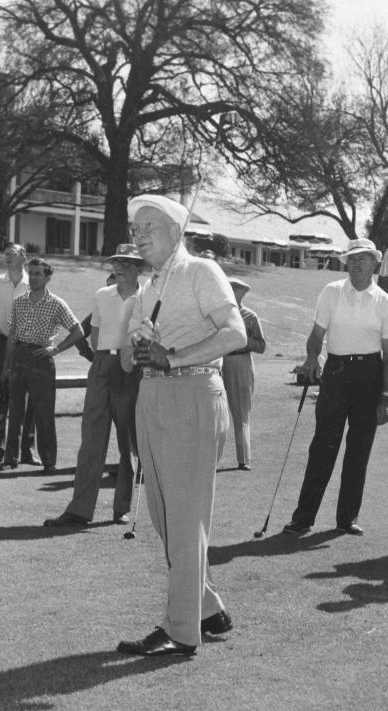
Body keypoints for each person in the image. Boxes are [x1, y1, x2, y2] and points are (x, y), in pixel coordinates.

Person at [117, 194, 246, 658]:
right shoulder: (147, 287)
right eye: (136, 227)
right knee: (165, 516)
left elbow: (235, 334)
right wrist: (138, 346)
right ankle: (208, 608)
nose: (140, 233)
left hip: (192, 392)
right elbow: (128, 359)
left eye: (150, 225)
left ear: (177, 230)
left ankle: (182, 630)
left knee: (185, 518)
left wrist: (171, 359)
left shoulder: (201, 272)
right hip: (151, 399)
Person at [282, 238, 388, 538]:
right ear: (346, 262)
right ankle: (303, 517)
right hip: (336, 371)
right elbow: (316, 334)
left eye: (363, 258)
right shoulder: (331, 292)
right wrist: (311, 358)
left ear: (374, 263)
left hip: (370, 375)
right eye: (352, 258)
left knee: (359, 450)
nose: (357, 263)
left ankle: (347, 518)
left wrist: (386, 397)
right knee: (323, 446)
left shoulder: (385, 301)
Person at [44, 247, 143, 527]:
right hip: (102, 367)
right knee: (91, 441)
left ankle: (121, 508)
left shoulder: (148, 296)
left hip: (132, 369)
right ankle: (79, 509)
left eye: (125, 263)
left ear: (138, 268)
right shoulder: (102, 295)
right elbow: (96, 336)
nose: (118, 267)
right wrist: (99, 360)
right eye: (115, 262)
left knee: (128, 444)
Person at [2, 257, 83, 472]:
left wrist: (55, 349)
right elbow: (11, 334)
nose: (34, 277)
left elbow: (78, 331)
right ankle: (10, 458)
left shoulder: (57, 303)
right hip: (19, 356)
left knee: (44, 412)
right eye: (32, 273)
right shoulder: (19, 301)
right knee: (15, 409)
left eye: (39, 274)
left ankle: (49, 461)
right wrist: (6, 365)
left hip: (41, 358)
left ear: (47, 277)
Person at [0, 243, 38, 466]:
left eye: (13, 254)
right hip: (0, 343)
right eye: (6, 255)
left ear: (24, 257)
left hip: (25, 345)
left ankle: (27, 450)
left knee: (27, 398)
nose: (8, 257)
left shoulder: (33, 283)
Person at [222, 277, 266, 470]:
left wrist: (242, 340)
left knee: (241, 413)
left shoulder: (250, 316)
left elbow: (261, 346)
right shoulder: (219, 315)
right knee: (216, 412)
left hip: (241, 360)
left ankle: (243, 458)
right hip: (219, 360)